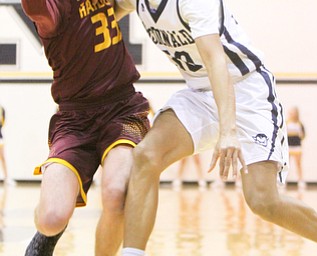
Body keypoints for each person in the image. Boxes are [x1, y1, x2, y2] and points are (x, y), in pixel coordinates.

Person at [110, 0, 317, 255]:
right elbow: (106, 12)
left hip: (246, 90)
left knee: (263, 201)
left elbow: (216, 61)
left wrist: (228, 131)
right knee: (146, 155)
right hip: (199, 92)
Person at [21, 0, 150, 255]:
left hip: (121, 109)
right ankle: (46, 233)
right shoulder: (51, 9)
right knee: (51, 219)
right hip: (75, 120)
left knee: (116, 193)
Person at [287, 106, 306, 189]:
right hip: (288, 146)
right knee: (287, 164)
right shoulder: (287, 123)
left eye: (292, 112)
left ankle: (300, 180)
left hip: (297, 147)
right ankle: (284, 181)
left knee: (298, 164)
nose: (291, 114)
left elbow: (303, 135)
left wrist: (300, 135)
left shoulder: (299, 123)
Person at [0, 105, 9, 185]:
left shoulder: (2, 109)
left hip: (0, 137)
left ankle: (6, 178)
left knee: (2, 157)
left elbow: (2, 122)